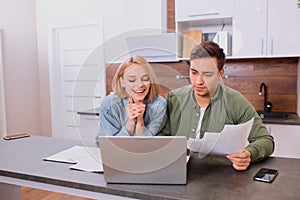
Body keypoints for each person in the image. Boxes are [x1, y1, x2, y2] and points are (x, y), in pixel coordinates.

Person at [159, 41, 274, 171]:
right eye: (194, 72)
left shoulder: (235, 101)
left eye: (207, 74)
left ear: (220, 73)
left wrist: (249, 154)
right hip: (180, 174)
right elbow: (160, 139)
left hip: (222, 179)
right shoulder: (174, 99)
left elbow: (265, 140)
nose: (198, 81)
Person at [97, 55, 166, 137]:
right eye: (132, 80)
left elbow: (145, 142)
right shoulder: (108, 104)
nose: (140, 85)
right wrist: (130, 122)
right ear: (122, 82)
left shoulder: (159, 105)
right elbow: (111, 144)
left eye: (145, 79)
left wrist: (140, 121)